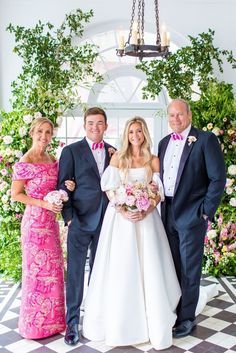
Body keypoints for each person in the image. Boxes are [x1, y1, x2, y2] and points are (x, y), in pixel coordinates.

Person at [82, 117, 181, 351]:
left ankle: (153, 320)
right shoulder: (118, 157)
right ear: (126, 135)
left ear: (144, 133)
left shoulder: (153, 160)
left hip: (147, 221)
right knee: (122, 267)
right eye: (131, 132)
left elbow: (157, 192)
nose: (135, 135)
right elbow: (109, 188)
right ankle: (121, 322)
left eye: (139, 131)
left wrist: (146, 208)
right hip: (120, 221)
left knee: (150, 267)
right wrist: (123, 209)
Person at [158, 98, 226, 338]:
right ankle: (174, 312)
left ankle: (187, 318)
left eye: (179, 114)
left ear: (189, 115)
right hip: (166, 213)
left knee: (189, 269)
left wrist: (205, 211)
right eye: (171, 115)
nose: (175, 119)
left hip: (192, 214)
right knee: (172, 266)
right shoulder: (163, 143)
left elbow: (218, 178)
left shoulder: (205, 140)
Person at [11, 117, 75, 339]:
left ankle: (55, 323)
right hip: (34, 224)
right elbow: (16, 194)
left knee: (54, 271)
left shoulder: (52, 158)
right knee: (36, 273)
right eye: (40, 131)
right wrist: (44, 204)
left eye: (48, 132)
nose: (44, 136)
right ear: (32, 132)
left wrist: (68, 187)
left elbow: (57, 185)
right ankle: (34, 326)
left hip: (51, 223)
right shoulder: (25, 162)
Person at [57, 107, 115, 346]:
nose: (95, 127)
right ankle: (72, 324)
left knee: (102, 272)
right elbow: (63, 185)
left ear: (106, 126)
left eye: (99, 123)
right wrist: (69, 217)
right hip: (79, 221)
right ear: (84, 125)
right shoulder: (71, 151)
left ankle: (97, 318)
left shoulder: (115, 152)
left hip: (107, 222)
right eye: (91, 123)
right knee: (76, 274)